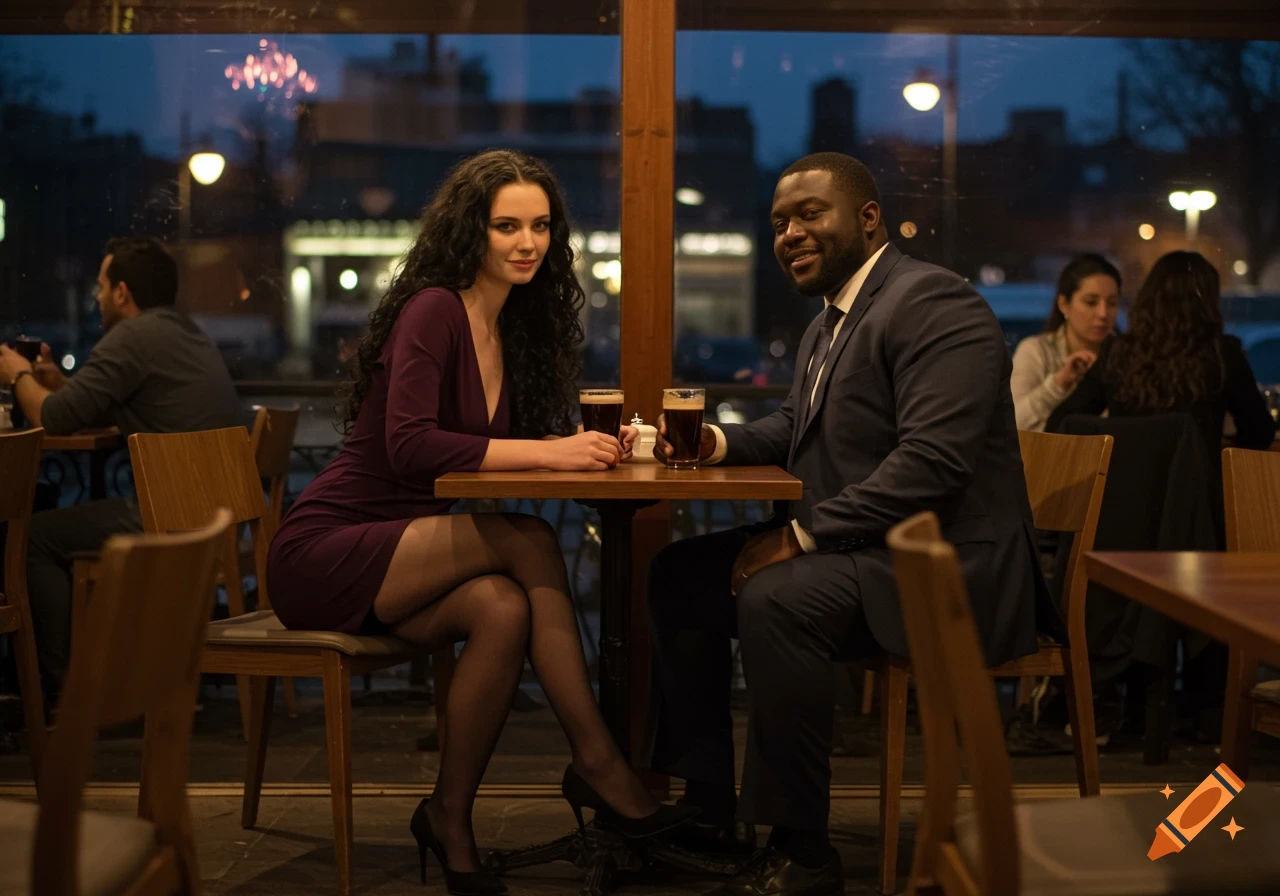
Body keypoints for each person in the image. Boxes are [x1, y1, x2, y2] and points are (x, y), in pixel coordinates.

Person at [266, 150, 692, 895]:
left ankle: (449, 817)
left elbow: (491, 459)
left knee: (501, 606)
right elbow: (409, 447)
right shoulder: (435, 307)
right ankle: (599, 764)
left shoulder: (509, 324)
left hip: (403, 552)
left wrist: (586, 449)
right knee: (526, 537)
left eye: (540, 227)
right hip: (326, 550)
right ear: (472, 231)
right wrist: (553, 453)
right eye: (506, 226)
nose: (527, 243)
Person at [644, 152, 1052, 896]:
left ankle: (802, 851)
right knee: (682, 574)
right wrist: (716, 443)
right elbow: (798, 425)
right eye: (778, 223)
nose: (789, 233)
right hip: (870, 548)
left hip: (949, 565)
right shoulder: (830, 323)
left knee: (778, 599)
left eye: (808, 213)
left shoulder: (933, 301)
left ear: (867, 219)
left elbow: (932, 463)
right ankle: (706, 807)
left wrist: (799, 537)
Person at [0, 237, 240, 704]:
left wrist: (17, 374)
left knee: (32, 539)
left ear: (123, 293)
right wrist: (59, 384)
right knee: (54, 526)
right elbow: (79, 406)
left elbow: (52, 418)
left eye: (101, 286)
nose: (97, 296)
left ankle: (63, 697)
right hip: (215, 513)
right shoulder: (183, 332)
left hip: (174, 516)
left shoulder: (130, 337)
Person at [1046, 251, 1275, 456]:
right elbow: (1260, 434)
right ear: (1207, 302)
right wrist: (1216, 446)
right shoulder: (1221, 353)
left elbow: (1060, 423)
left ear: (1149, 297)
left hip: (1120, 496)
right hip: (1195, 497)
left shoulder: (1117, 352)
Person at [1010, 253, 1122, 431]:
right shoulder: (1036, 351)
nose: (1103, 313)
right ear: (1063, 304)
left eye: (1112, 303)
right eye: (1091, 302)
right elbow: (1012, 424)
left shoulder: (1124, 357)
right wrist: (1058, 384)